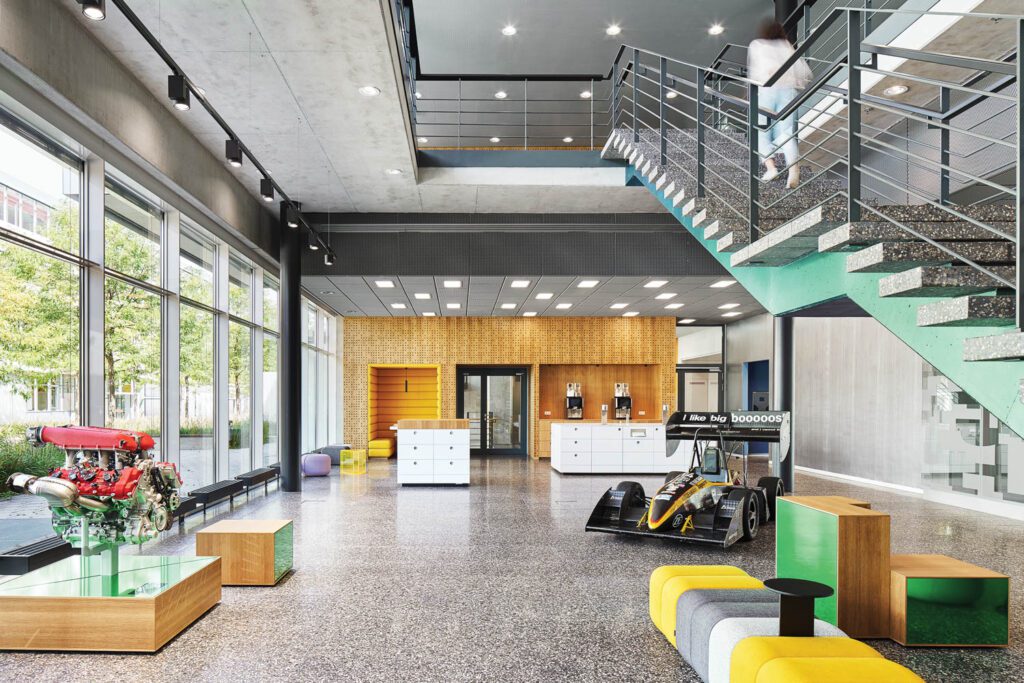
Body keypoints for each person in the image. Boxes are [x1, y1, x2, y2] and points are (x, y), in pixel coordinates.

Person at [747, 18, 812, 188]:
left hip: (766, 91)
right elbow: (804, 72)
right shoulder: (786, 46)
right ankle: (793, 169)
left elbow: (755, 74)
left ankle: (771, 168)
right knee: (785, 133)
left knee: (761, 132)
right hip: (788, 92)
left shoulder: (757, 45)